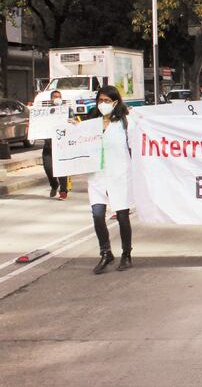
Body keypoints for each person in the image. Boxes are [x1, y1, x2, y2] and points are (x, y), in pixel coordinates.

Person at [88, 86, 133, 274]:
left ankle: (126, 253)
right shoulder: (92, 123)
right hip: (97, 175)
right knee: (98, 215)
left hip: (120, 174)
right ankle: (106, 252)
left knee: (122, 216)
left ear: (115, 102)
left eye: (107, 101)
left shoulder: (125, 123)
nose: (103, 104)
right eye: (100, 100)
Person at [42, 90, 70, 199]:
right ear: (51, 99)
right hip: (48, 146)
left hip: (62, 145)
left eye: (59, 96)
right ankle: (54, 185)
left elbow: (75, 122)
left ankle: (63, 191)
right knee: (48, 168)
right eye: (55, 96)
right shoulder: (44, 112)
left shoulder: (67, 111)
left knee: (62, 168)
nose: (57, 98)